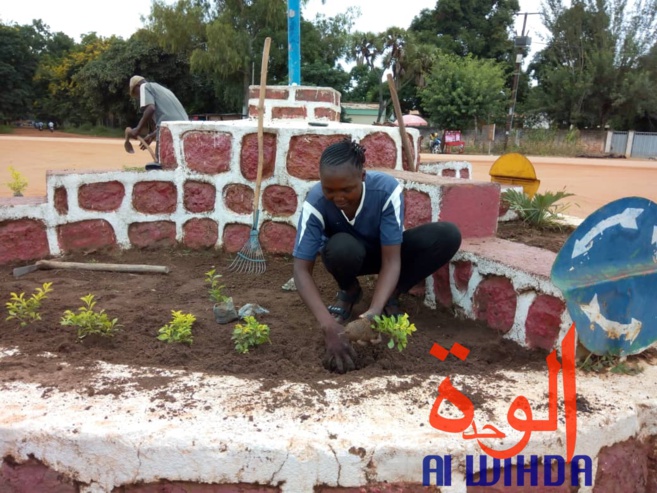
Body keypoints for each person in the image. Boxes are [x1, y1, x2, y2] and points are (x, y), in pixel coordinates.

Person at [292, 138, 462, 374]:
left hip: (386, 254)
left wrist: (372, 314)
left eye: (347, 189)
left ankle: (389, 296)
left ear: (362, 177)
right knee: (340, 247)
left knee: (447, 235)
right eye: (329, 190)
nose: (338, 197)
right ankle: (350, 291)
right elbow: (301, 270)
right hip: (349, 256)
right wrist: (328, 326)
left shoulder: (386, 190)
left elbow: (392, 259)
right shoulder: (316, 202)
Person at [128, 75, 188, 169]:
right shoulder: (162, 89)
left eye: (136, 93)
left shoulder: (145, 87)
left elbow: (150, 108)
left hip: (169, 129)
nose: (139, 97)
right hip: (184, 127)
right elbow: (171, 119)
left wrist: (138, 129)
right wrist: (152, 135)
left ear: (138, 85)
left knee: (160, 165)